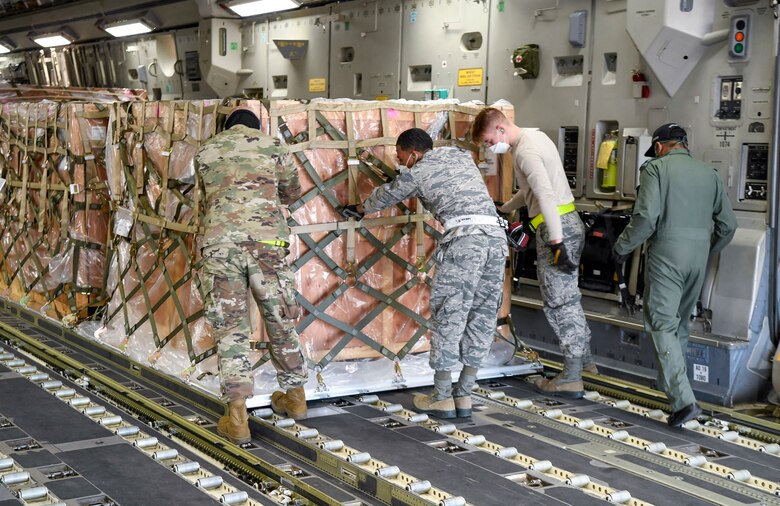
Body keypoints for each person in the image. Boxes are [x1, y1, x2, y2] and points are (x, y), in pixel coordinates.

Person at [342, 128, 507, 419]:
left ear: (414, 154)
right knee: (482, 314)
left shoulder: (418, 171)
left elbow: (389, 194)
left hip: (465, 242)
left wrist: (360, 208)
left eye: (401, 156)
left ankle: (442, 397)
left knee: (449, 314)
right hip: (495, 239)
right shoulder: (460, 156)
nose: (398, 160)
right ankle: (465, 395)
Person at [613, 123, 737, 427]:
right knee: (680, 324)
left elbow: (646, 217)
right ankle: (670, 386)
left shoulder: (655, 169)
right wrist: (706, 249)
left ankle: (683, 402)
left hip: (667, 254)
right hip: (698, 257)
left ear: (658, 147)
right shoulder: (710, 174)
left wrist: (621, 248)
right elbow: (728, 225)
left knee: (660, 322)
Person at [196, 108, 308, 444]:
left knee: (230, 328)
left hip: (221, 245)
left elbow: (205, 199)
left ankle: (238, 419)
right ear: (257, 128)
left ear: (227, 127)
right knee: (280, 318)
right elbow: (291, 192)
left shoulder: (207, 150)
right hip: (267, 245)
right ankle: (296, 399)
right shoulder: (273, 146)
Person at [472, 108, 595, 399]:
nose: (491, 148)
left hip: (557, 227)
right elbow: (529, 189)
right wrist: (503, 208)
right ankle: (585, 365)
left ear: (501, 129)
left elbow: (545, 195)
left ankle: (572, 377)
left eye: (490, 141)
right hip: (564, 223)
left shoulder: (525, 152)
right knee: (568, 298)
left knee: (560, 303)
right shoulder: (534, 139)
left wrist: (556, 241)